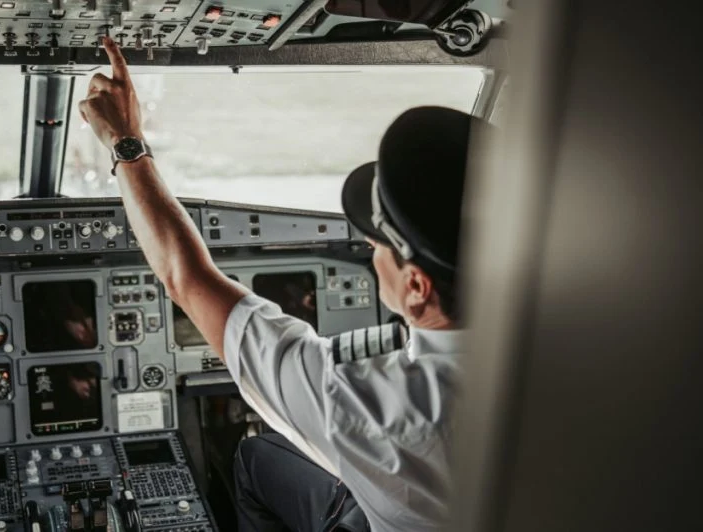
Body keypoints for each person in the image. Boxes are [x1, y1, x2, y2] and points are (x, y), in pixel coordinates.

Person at [79, 37, 484, 532]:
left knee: (252, 459)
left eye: (378, 245)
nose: (368, 253)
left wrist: (126, 141)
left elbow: (185, 276)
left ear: (417, 287)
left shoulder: (381, 415)